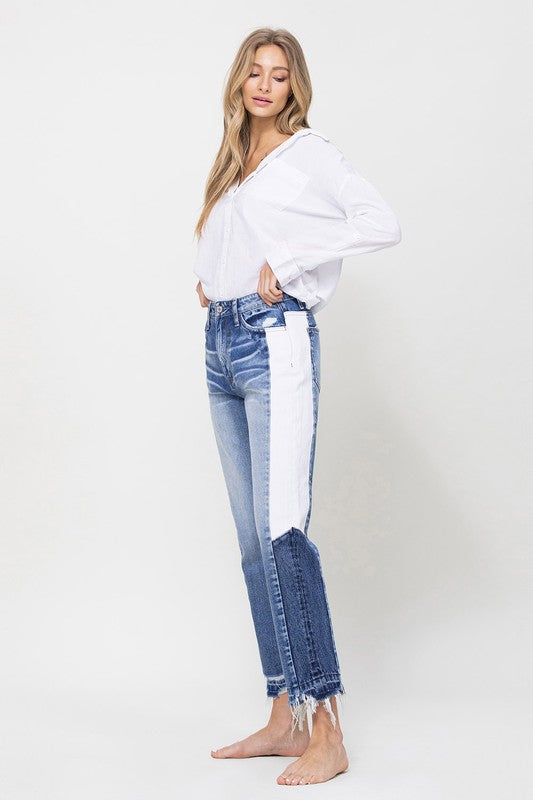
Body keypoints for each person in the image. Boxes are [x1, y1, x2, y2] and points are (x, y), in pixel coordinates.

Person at [192, 27, 401, 786]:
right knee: (251, 542)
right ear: (240, 81)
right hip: (222, 346)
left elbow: (381, 223)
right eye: (254, 72)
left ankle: (328, 726)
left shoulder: (309, 153)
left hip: (274, 344)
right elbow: (234, 242)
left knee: (283, 535)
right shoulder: (233, 160)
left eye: (278, 76)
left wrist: (294, 263)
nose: (263, 85)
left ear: (293, 88)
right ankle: (284, 715)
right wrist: (214, 281)